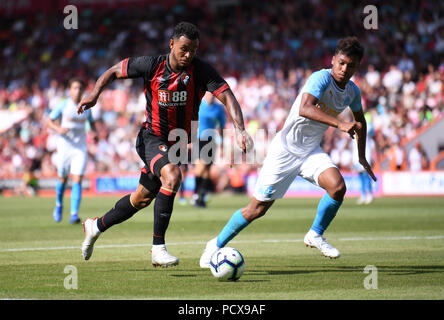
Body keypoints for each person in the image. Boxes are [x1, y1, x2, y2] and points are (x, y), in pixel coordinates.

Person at [78, 22, 253, 268]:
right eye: (183, 49)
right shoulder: (151, 65)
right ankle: (158, 248)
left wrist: (240, 129)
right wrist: (95, 94)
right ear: (171, 44)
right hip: (151, 137)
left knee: (140, 199)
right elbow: (115, 70)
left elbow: (228, 96)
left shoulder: (201, 71)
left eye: (193, 50)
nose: (188, 55)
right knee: (172, 176)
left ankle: (95, 226)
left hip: (178, 143)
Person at [200, 37, 377, 267]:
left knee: (338, 187)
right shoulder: (320, 78)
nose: (344, 69)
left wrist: (361, 156)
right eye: (341, 63)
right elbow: (305, 108)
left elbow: (360, 122)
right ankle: (215, 245)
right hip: (284, 151)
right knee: (257, 209)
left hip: (310, 151)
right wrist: (339, 124)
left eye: (351, 66)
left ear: (357, 67)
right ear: (333, 60)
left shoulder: (352, 92)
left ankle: (315, 234)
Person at [46, 78, 95, 224]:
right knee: (62, 178)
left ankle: (74, 214)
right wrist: (58, 129)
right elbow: (49, 121)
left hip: (80, 148)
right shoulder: (64, 105)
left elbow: (92, 123)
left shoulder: (87, 107)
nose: (77, 91)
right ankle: (59, 205)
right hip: (64, 147)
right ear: (69, 90)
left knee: (78, 178)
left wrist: (95, 133)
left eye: (80, 88)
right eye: (75, 88)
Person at [192, 91, 226, 208]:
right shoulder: (199, 105)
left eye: (213, 94)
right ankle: (196, 194)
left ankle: (202, 195)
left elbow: (221, 126)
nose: (211, 96)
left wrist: (221, 145)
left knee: (207, 169)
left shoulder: (218, 108)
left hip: (211, 140)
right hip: (198, 139)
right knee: (200, 167)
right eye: (209, 94)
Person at [353, 122, 376, 204]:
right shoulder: (353, 125)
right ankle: (363, 195)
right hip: (356, 156)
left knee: (366, 175)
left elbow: (372, 132)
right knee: (361, 176)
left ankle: (370, 194)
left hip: (365, 154)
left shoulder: (367, 126)